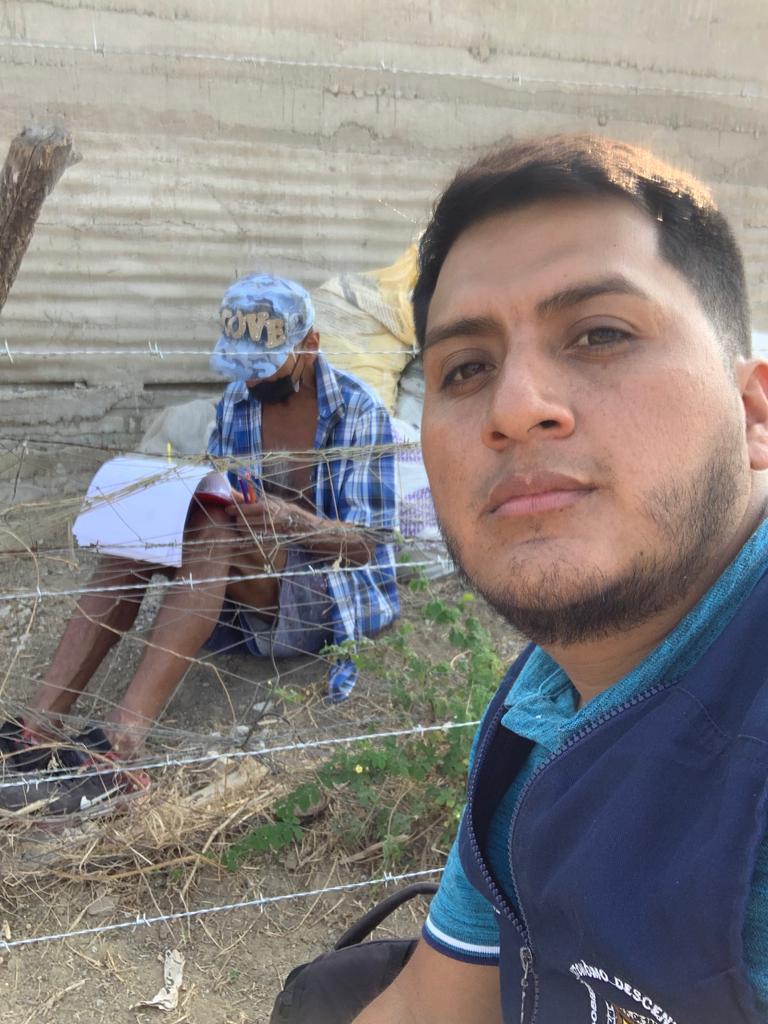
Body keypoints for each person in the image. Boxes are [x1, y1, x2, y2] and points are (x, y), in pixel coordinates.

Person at [277, 135, 768, 1023]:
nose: (513, 408)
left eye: (601, 333)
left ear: (754, 413)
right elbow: (433, 1006)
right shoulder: (544, 702)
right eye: (466, 368)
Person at [0, 274, 399, 813]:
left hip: (327, 594)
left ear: (309, 345)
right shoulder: (238, 401)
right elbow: (220, 490)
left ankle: (121, 747)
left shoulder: (359, 411)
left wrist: (286, 517)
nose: (250, 380)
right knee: (138, 536)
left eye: (263, 366)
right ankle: (36, 729)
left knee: (214, 531)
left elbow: (367, 545)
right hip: (243, 584)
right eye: (241, 366)